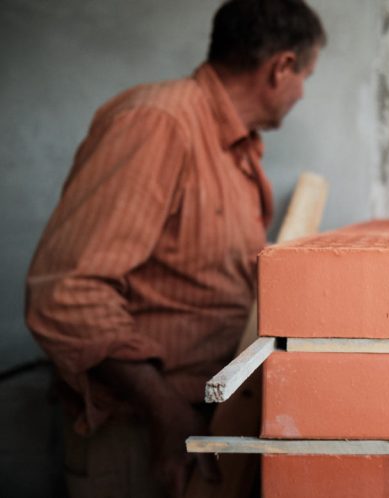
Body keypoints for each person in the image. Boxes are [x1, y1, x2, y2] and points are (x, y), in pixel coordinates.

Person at [25, 1, 325, 496]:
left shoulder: (235, 148)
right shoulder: (158, 123)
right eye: (305, 76)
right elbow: (66, 294)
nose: (301, 94)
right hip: (139, 435)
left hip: (192, 425)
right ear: (282, 67)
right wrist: (164, 409)